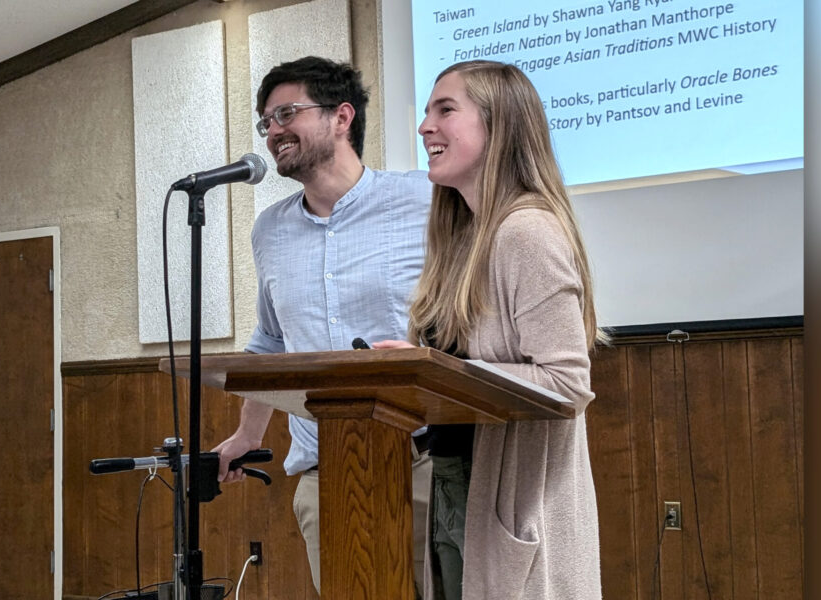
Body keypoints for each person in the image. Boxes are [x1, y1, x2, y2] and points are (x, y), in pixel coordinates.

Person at [373, 60, 605, 599]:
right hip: (454, 479)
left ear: (499, 125)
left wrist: (440, 373)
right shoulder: (461, 238)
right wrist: (418, 369)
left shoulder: (527, 232)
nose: (424, 126)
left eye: (445, 110)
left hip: (510, 496)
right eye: (427, 111)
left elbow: (568, 383)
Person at [209, 56, 435, 596]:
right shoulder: (270, 231)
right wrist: (247, 434)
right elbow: (271, 343)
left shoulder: (422, 198)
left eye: (287, 112)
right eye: (266, 121)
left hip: (422, 464)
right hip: (324, 473)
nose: (273, 131)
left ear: (341, 117)